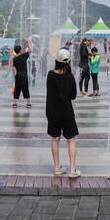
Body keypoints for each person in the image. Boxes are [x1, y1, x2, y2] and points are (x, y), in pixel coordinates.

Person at [46, 48, 80, 178]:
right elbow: (73, 96)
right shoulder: (69, 76)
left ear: (56, 61)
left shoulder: (50, 74)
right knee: (71, 140)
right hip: (67, 112)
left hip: (53, 112)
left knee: (55, 139)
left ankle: (57, 168)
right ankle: (72, 170)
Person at [11, 39, 32, 108]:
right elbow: (30, 50)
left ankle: (14, 103)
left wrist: (14, 76)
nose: (22, 50)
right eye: (21, 49)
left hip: (18, 75)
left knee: (17, 89)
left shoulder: (15, 59)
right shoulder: (24, 56)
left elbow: (13, 68)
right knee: (25, 88)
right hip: (24, 75)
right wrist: (28, 42)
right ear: (20, 50)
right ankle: (28, 103)